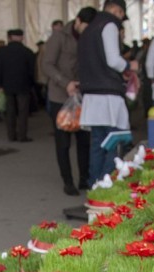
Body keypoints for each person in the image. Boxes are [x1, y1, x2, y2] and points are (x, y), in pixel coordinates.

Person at [78, 0, 135, 185]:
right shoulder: (109, 25)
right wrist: (128, 65)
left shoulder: (88, 29)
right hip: (108, 96)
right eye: (120, 14)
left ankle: (94, 186)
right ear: (117, 10)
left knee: (97, 144)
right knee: (113, 143)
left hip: (91, 95)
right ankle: (105, 186)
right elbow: (112, 60)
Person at [44, 6, 96, 195]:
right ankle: (68, 181)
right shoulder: (59, 37)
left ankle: (84, 178)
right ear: (77, 22)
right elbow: (47, 64)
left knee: (84, 140)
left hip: (82, 97)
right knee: (63, 142)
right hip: (60, 97)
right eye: (85, 27)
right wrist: (65, 83)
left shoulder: (90, 37)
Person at [0, 29, 35, 143]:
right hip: (23, 85)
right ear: (22, 37)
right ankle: (22, 136)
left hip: (7, 86)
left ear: (9, 37)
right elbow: (32, 71)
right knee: (23, 112)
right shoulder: (27, 52)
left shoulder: (2, 52)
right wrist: (31, 84)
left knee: (10, 112)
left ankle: (11, 135)